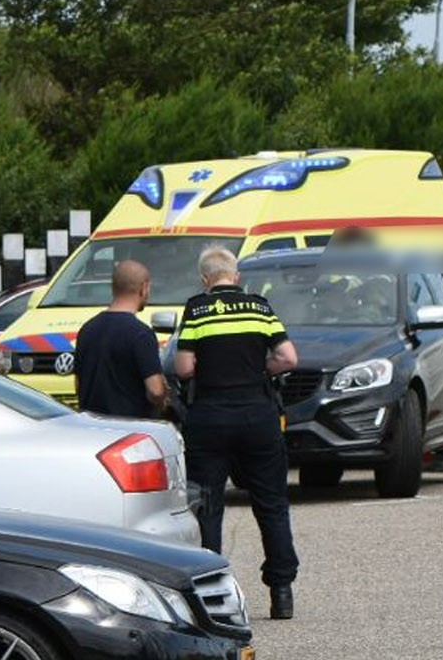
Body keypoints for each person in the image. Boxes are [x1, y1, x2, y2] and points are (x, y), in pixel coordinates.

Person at [174, 246, 300, 620]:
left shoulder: (197, 308)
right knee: (272, 504)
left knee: (208, 507)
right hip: (257, 416)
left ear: (204, 279)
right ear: (236, 276)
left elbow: (183, 368)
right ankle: (281, 592)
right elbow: (289, 358)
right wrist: (259, 371)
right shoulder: (260, 308)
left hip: (210, 417)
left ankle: (212, 597)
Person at [73, 260, 168, 420]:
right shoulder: (141, 334)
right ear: (143, 288)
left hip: (92, 427)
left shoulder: (87, 329)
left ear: (114, 288)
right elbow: (155, 390)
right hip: (129, 428)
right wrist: (163, 398)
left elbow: (78, 384)